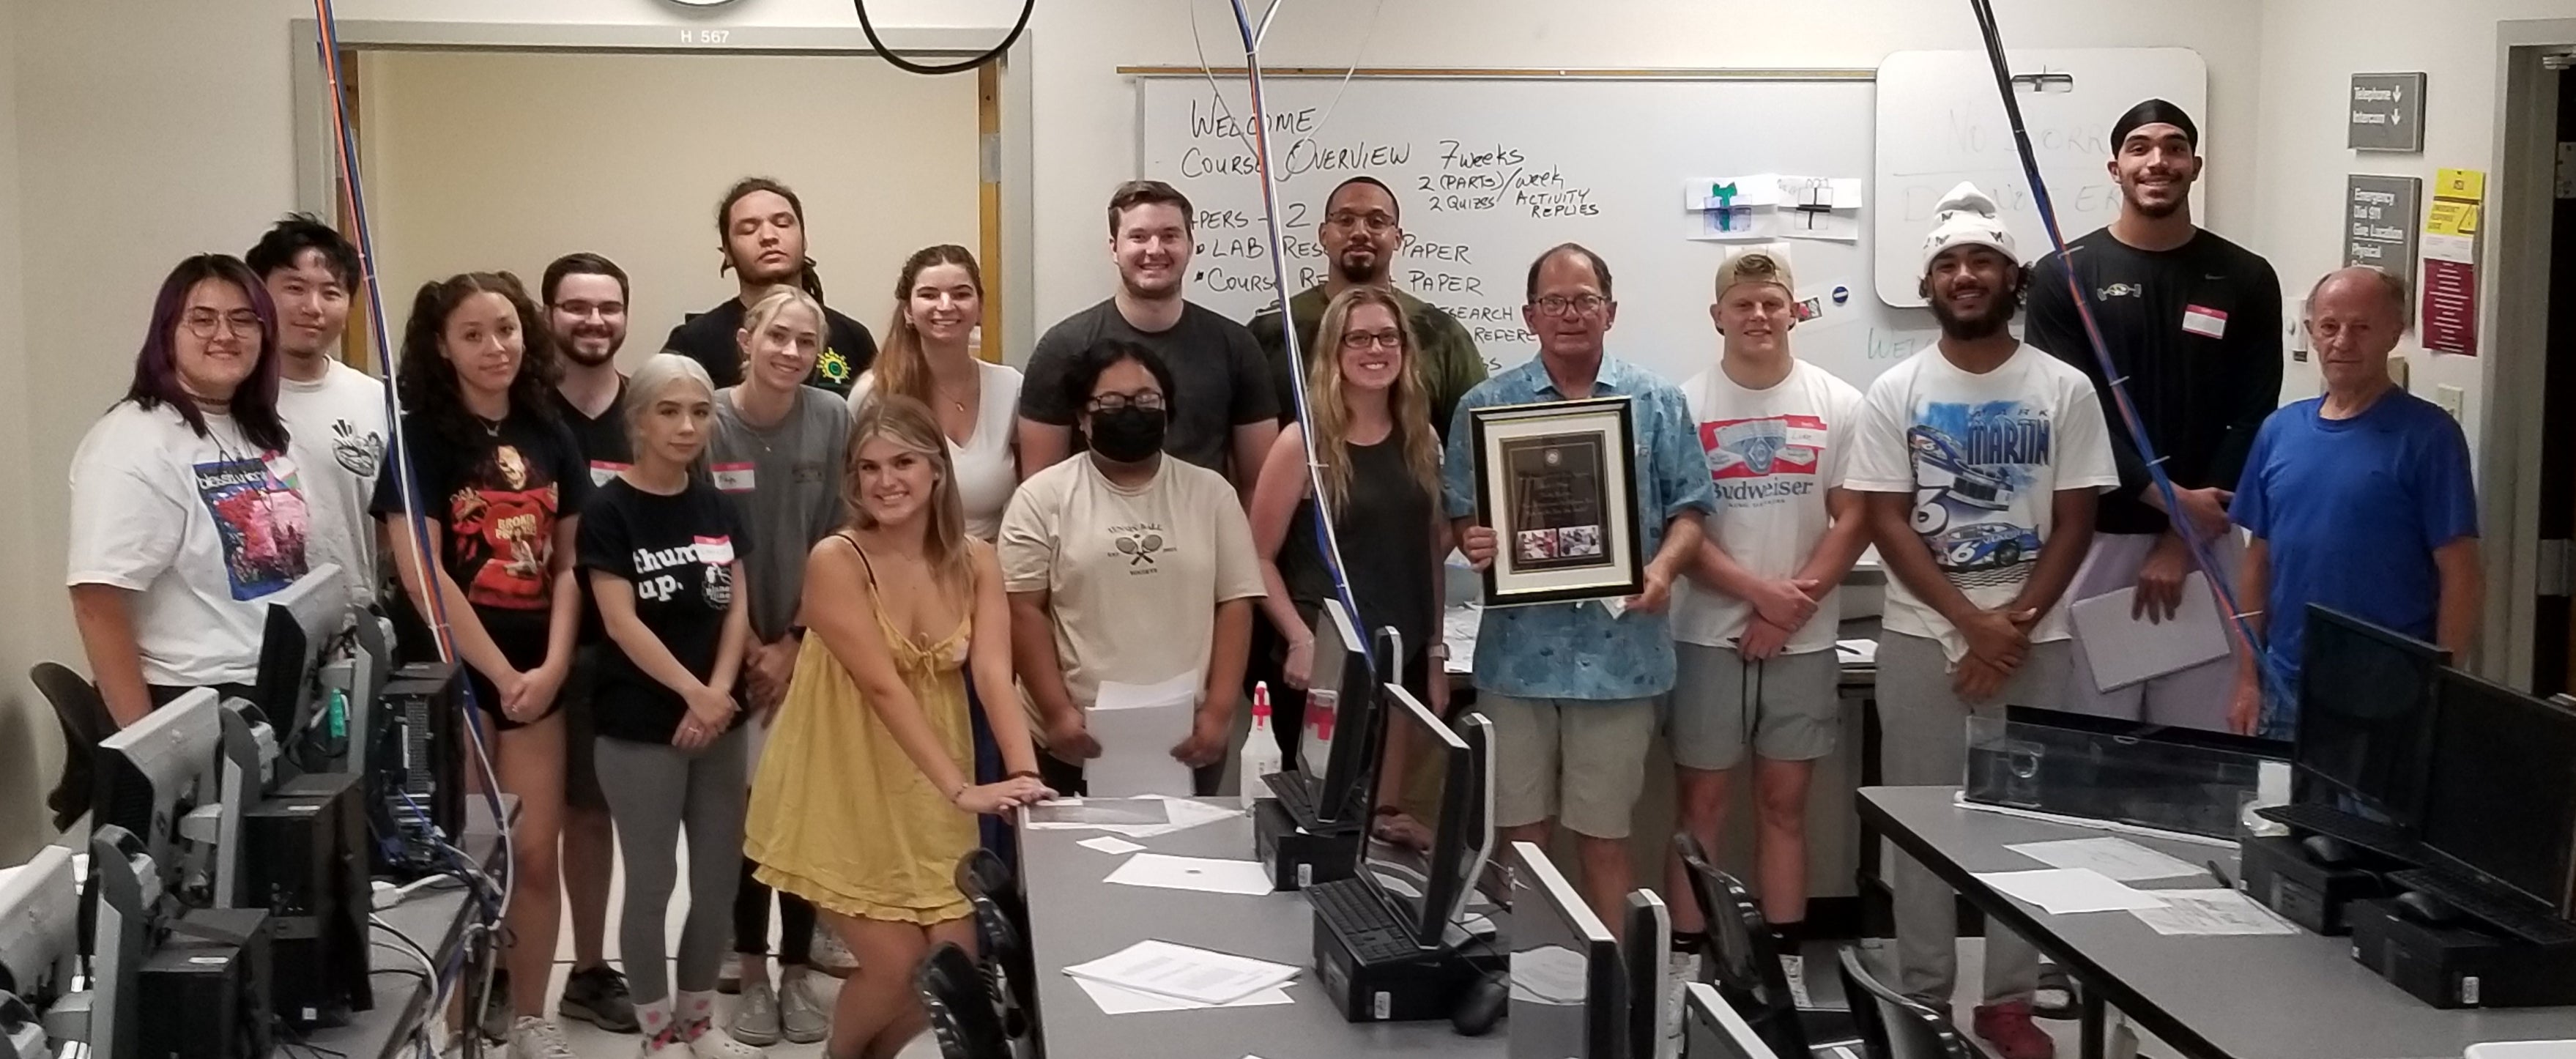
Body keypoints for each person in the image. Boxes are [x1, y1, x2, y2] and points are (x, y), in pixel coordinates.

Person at [1845, 184, 2117, 1059]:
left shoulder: (2063, 388)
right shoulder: (1897, 391)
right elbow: (1887, 517)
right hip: (1923, 640)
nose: (1965, 278)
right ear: (1931, 284)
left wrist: (2016, 625)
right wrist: (1972, 623)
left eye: (1982, 264)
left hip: (2036, 644)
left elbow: (2077, 517)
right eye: (1949, 265)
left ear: (2013, 278)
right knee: (1921, 824)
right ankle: (1923, 995)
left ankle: (2009, 1001)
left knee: (2020, 828)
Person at [743, 396, 1053, 1059]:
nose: (886, 481)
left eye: (903, 462)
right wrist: (962, 791)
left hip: (927, 789)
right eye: (868, 468)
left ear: (937, 470)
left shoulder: (976, 561)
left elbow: (997, 677)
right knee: (890, 969)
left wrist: (1025, 773)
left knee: (949, 968)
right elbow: (882, 687)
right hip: (844, 780)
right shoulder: (836, 558)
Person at [1441, 243, 1714, 930]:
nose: (1570, 314)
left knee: (1604, 839)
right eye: (1554, 301)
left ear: (1610, 311)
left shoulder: (1656, 401)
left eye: (1585, 299)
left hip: (1621, 659)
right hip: (1517, 662)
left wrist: (1660, 570)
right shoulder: (1485, 405)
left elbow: (1691, 511)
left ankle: (1611, 1005)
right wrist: (1473, 538)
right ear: (1529, 314)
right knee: (1520, 842)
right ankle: (1528, 989)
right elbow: (1462, 513)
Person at [373, 272, 589, 1059]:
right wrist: (499, 673)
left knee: (535, 852)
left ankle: (531, 1014)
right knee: (465, 859)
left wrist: (555, 662)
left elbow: (570, 563)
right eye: (473, 334)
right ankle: (460, 1024)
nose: (495, 347)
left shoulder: (547, 428)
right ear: (442, 346)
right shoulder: (419, 436)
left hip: (541, 671)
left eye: (506, 328)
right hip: (455, 675)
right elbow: (422, 573)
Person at [2027, 99, 2284, 732]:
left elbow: (2252, 413)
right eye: (2139, 148)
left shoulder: (2245, 277)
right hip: (2095, 541)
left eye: (2172, 148)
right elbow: (2070, 411)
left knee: (2196, 750)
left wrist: (2181, 534)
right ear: (2114, 168)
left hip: (2206, 543)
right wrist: (2162, 498)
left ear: (2194, 165)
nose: (2156, 161)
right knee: (2089, 744)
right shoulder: (2063, 276)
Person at [1663, 247, 1868, 986]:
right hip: (1704, 635)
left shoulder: (1839, 403)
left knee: (1785, 806)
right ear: (1717, 314)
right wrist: (1757, 593)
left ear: (1792, 311)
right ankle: (1689, 954)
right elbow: (1681, 529)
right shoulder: (1683, 405)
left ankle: (1781, 955)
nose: (1757, 315)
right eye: (1742, 303)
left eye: (1771, 302)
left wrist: (1787, 610)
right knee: (1701, 808)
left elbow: (1853, 519)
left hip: (1803, 637)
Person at [579, 354, 763, 1059]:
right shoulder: (609, 511)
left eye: (699, 412)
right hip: (640, 729)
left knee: (717, 882)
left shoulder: (716, 504)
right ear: (639, 421)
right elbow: (621, 622)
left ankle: (697, 1022)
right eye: (669, 411)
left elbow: (737, 604)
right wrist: (692, 692)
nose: (687, 426)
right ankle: (656, 1032)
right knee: (652, 882)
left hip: (718, 721)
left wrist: (718, 694)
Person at [68, 254, 333, 728]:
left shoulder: (256, 430)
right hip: (192, 701)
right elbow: (96, 601)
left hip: (279, 690)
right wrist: (148, 747)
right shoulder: (133, 442)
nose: (224, 335)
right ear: (167, 333)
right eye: (202, 320)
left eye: (242, 320)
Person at [1001, 340, 1266, 798]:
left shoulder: (1212, 494)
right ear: (1083, 418)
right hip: (1074, 737)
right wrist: (1057, 712)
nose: (1131, 411)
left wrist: (1220, 713)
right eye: (1111, 402)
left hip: (1187, 737)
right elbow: (1023, 610)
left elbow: (1235, 604)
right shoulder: (1041, 497)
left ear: (1168, 410)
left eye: (1147, 400)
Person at [2227, 268, 2481, 738]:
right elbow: (2258, 563)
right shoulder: (2278, 432)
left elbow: (2460, 572)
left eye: (2362, 327)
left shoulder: (2429, 438)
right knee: (2285, 812)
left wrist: (2443, 688)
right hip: (2288, 687)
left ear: (2394, 333)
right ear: (2311, 332)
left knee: (2374, 816)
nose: (2343, 341)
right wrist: (2248, 677)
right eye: (2329, 326)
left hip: (2391, 693)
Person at [707, 286, 853, 1044]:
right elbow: (699, 540)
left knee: (802, 817)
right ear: (746, 338)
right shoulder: (708, 419)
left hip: (811, 646)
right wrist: (750, 651)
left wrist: (795, 640)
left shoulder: (831, 419)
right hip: (724, 651)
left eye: (805, 341)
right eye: (778, 337)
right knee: (742, 822)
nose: (791, 352)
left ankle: (798, 972)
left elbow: (841, 535)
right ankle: (751, 971)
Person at [848, 245, 1022, 870]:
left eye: (960, 293)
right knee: (906, 766)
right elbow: (864, 504)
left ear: (979, 303)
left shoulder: (1010, 387)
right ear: (907, 308)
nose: (945, 307)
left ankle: (979, 909)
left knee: (982, 751)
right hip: (904, 603)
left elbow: (1029, 501)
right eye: (929, 294)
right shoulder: (877, 391)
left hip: (986, 594)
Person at [1247, 288, 1447, 814]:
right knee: (1325, 816)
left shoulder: (1419, 439)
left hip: (1400, 657)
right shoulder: (1303, 445)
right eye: (1357, 338)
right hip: (1329, 665)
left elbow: (1426, 552)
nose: (1374, 349)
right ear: (1334, 351)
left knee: (1383, 818)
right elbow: (1257, 556)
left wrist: (1434, 652)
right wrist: (1298, 638)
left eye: (1387, 337)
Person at [1017, 181, 1279, 499]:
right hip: (1090, 543)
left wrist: (1243, 549)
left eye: (1170, 235)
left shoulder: (1237, 346)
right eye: (1139, 237)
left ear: (1190, 244)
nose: (1155, 250)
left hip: (1204, 538)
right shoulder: (1063, 349)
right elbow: (1040, 489)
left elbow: (1260, 484)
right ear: (1114, 247)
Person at [539, 252, 640, 1035]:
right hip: (534, 652)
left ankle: (600, 967)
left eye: (607, 307)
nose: (593, 321)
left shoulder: (651, 414)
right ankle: (545, 973)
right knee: (548, 821)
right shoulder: (523, 415)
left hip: (633, 650)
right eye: (576, 307)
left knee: (604, 816)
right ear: (550, 317)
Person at [1246, 176, 1488, 437]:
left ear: (1397, 238)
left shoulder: (1442, 334)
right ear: (1323, 235)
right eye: (1345, 220)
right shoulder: (1273, 332)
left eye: (1376, 222)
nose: (1360, 232)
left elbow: (1474, 440)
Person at [248, 215, 386, 614]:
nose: (313, 308)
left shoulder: (374, 398)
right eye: (294, 288)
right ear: (257, 294)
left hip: (357, 620)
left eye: (331, 292)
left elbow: (388, 529)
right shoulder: (233, 400)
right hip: (258, 631)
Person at [663, 177, 877, 396]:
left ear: (804, 240)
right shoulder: (694, 343)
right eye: (748, 229)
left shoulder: (853, 337)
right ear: (727, 252)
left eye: (782, 224)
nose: (768, 237)